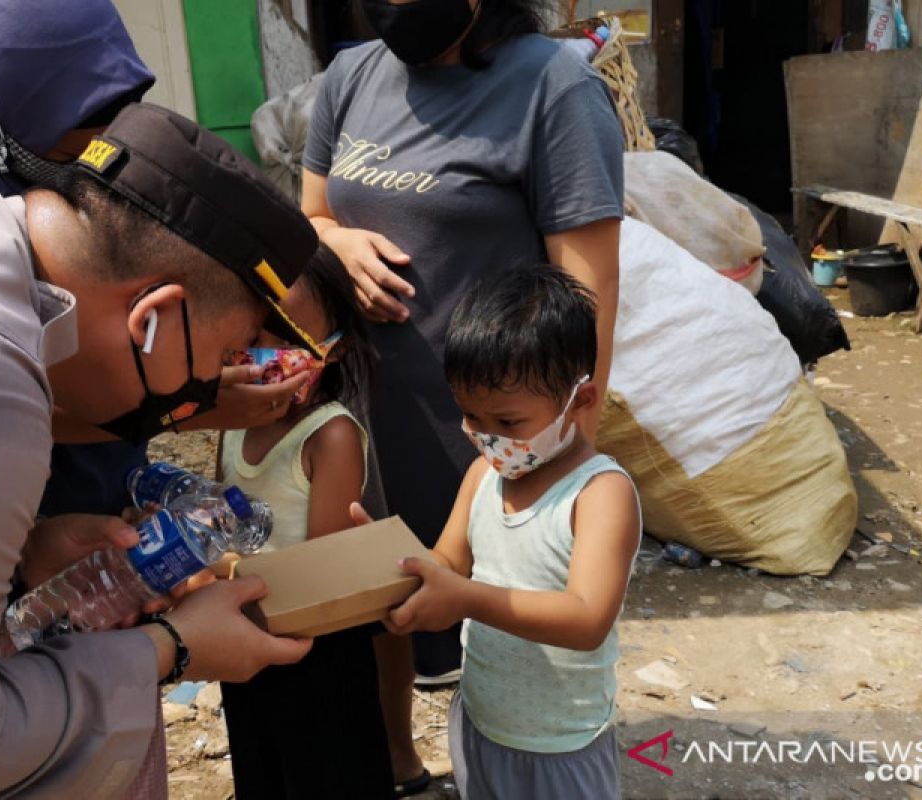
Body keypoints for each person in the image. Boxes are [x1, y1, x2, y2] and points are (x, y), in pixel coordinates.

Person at [0, 103, 318, 798]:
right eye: (222, 356)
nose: (209, 389)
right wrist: (174, 648)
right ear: (152, 320)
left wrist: (18, 551)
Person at [301, 0, 624, 786]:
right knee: (387, 579)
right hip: (366, 404)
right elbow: (309, 213)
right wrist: (336, 241)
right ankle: (400, 753)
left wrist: (571, 437)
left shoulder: (554, 88)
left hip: (485, 422)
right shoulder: (350, 77)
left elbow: (589, 282)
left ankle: (532, 745)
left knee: (499, 598)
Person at [0, 0, 309, 517]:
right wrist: (176, 413)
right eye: (69, 156)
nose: (90, 168)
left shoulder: (66, 118)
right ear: (7, 132)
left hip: (99, 480)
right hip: (1, 516)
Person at [377, 264, 641, 800]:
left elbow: (587, 618)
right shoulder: (484, 475)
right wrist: (391, 564)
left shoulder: (599, 495)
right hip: (480, 721)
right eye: (471, 417)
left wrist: (465, 599)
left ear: (581, 400)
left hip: (561, 747)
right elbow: (449, 561)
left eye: (509, 423)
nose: (487, 438)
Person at [216, 245, 393, 799]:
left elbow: (324, 578)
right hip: (244, 636)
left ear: (333, 352)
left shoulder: (330, 436)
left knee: (325, 775)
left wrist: (219, 573)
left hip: (315, 658)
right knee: (261, 767)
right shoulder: (235, 418)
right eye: (255, 327)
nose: (263, 351)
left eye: (287, 337)